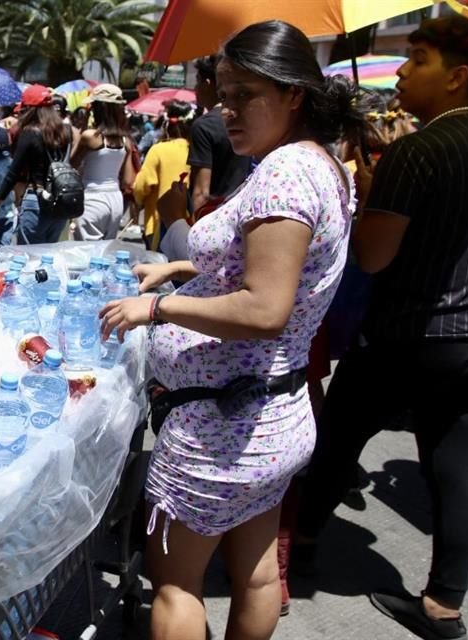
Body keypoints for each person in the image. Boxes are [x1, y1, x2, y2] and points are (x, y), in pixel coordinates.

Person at [99, 20, 361, 640]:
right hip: (273, 416)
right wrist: (186, 266)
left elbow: (266, 306)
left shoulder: (287, 175)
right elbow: (283, 263)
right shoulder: (317, 162)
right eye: (222, 93)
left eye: (246, 94)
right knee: (258, 574)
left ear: (294, 92)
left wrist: (158, 310)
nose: (227, 109)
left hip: (223, 429)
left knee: (175, 586)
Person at [296, 16, 468, 640]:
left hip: (405, 330)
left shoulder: (418, 149)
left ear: (457, 77)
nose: (401, 69)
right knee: (457, 464)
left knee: (339, 438)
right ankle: (444, 605)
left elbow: (373, 254)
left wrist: (370, 198)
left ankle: (301, 545)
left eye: (417, 58)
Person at [0, 84, 73, 245]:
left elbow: (13, 172)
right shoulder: (65, 130)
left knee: (29, 258)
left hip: (37, 199)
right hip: (60, 202)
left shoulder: (30, 133)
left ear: (29, 109)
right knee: (49, 258)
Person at [188, 55, 253, 214]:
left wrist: (194, 229)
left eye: (197, 81)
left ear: (207, 83)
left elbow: (201, 192)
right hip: (239, 212)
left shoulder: (204, 126)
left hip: (212, 217)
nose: (195, 88)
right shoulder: (246, 120)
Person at [70, 84, 136, 241]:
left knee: (86, 252)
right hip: (115, 200)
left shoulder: (90, 136)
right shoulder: (126, 141)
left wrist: (81, 131)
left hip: (92, 198)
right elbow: (128, 180)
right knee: (104, 253)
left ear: (98, 109)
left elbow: (71, 164)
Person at [134, 100, 194, 252]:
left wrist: (138, 202)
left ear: (167, 124)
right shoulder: (196, 150)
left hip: (160, 223)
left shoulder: (159, 150)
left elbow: (142, 186)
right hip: (191, 222)